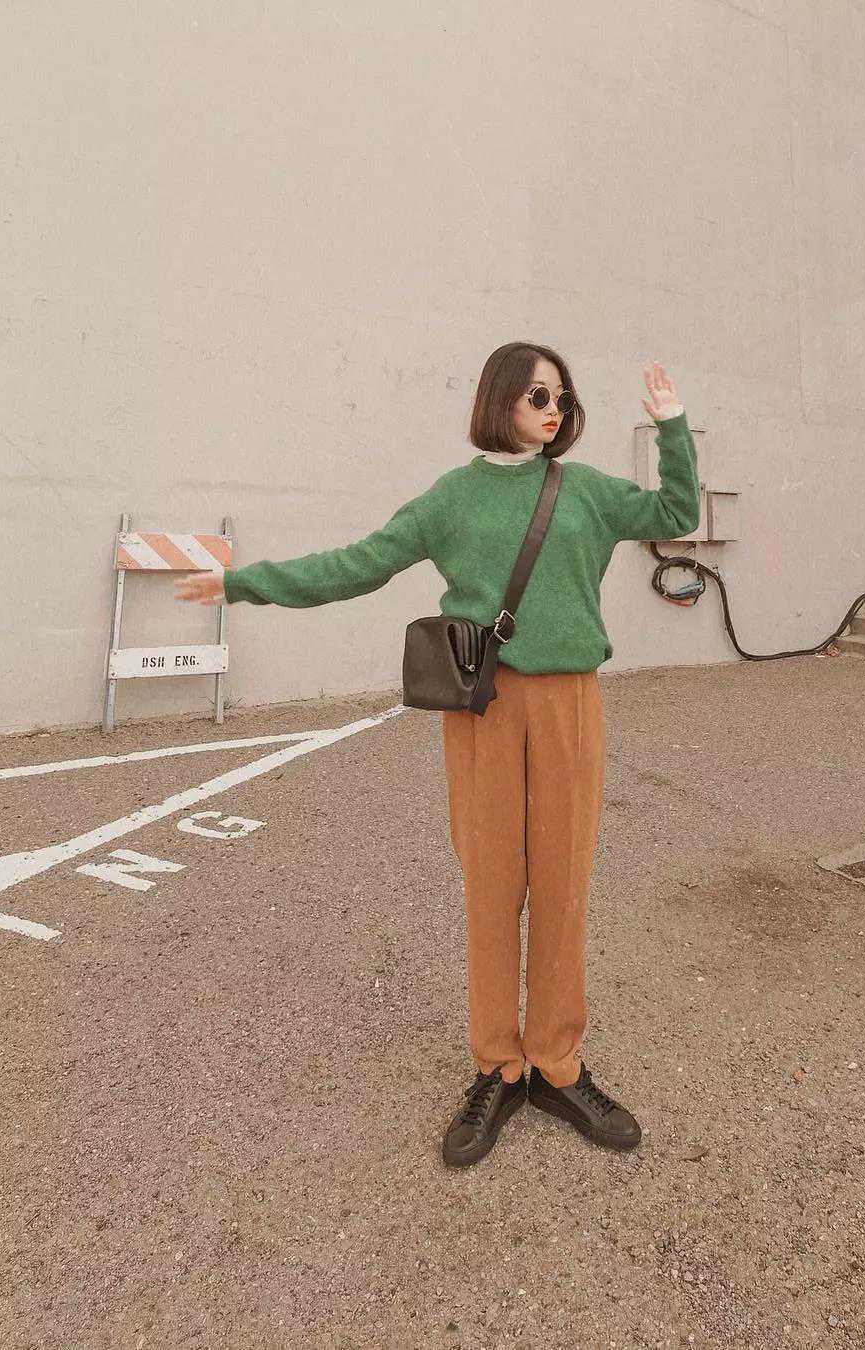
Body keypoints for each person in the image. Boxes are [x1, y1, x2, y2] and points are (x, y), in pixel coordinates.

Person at [174, 344, 699, 1168]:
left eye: (561, 397)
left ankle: (558, 1065)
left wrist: (672, 427)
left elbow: (675, 512)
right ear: (500, 399)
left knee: (563, 883)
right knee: (492, 885)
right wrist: (244, 583)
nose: (553, 409)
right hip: (483, 709)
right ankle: (499, 1066)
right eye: (537, 395)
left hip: (570, 703)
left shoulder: (588, 491)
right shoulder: (452, 498)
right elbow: (357, 565)